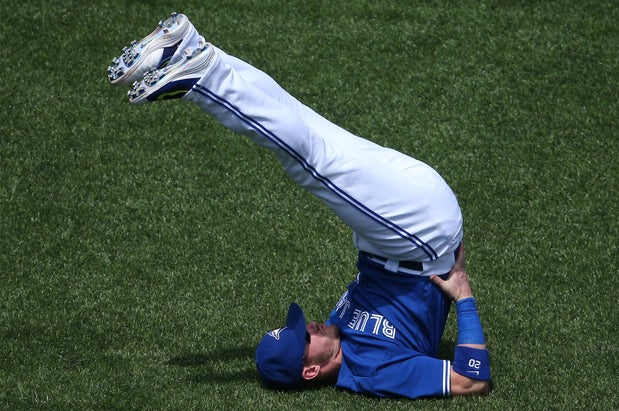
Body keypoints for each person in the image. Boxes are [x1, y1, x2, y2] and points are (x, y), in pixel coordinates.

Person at [107, 12, 492, 398]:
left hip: (402, 220)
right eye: (303, 339)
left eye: (300, 328)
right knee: (311, 163)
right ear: (310, 371)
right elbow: (470, 380)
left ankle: (197, 49)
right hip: (420, 237)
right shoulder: (372, 372)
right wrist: (464, 298)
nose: (310, 326)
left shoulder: (335, 330)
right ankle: (202, 80)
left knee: (302, 120)